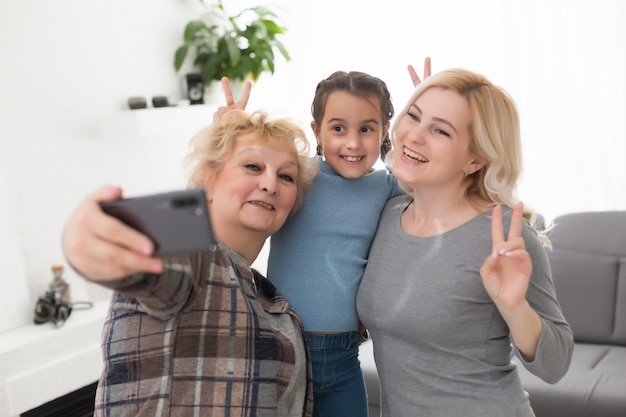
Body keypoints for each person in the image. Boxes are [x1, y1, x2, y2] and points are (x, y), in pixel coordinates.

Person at [62, 109, 319, 417]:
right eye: (253, 166)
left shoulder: (272, 302)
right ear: (208, 179)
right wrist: (89, 239)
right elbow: (159, 258)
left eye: (286, 176)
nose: (270, 184)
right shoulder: (193, 256)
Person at [356, 68, 575, 417]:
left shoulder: (503, 234)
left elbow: (556, 365)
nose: (414, 135)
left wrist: (515, 308)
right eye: (413, 116)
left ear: (475, 159)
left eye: (440, 130)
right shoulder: (386, 213)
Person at [264, 61, 430, 417]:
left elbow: (433, 181)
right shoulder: (298, 174)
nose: (353, 143)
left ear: (387, 130)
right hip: (284, 349)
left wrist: (426, 116)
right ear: (317, 131)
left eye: (367, 129)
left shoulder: (386, 186)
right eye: (338, 128)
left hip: (343, 356)